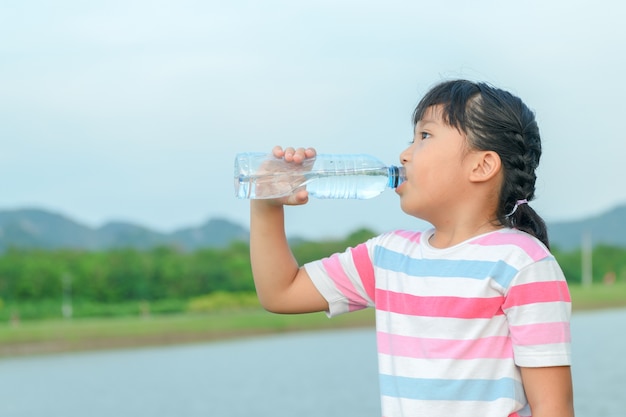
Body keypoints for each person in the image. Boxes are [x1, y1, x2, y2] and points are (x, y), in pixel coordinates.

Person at [248, 79, 574, 417]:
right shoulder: (389, 257)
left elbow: (553, 407)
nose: (404, 154)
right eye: (412, 138)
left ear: (482, 165)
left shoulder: (523, 264)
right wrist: (266, 204)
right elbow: (280, 292)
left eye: (425, 136)